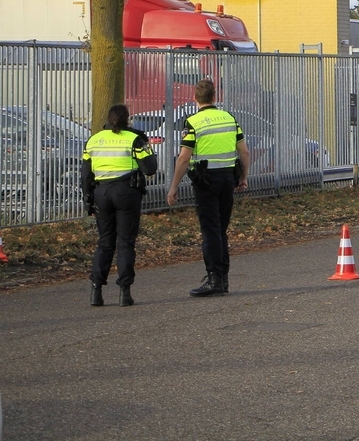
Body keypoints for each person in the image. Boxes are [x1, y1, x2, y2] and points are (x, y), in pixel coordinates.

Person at [167, 80, 250, 298]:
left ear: (195, 98)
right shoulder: (229, 118)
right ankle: (222, 278)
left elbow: (184, 158)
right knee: (221, 229)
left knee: (210, 230)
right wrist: (243, 177)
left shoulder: (193, 122)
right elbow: (245, 152)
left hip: (206, 182)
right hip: (227, 179)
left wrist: (173, 187)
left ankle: (214, 278)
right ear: (214, 96)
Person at [81, 104, 158, 307]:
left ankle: (96, 291)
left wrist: (88, 198)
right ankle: (125, 292)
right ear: (127, 119)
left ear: (108, 118)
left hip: (102, 193)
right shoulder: (134, 139)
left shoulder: (93, 140)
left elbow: (86, 175)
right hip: (126, 193)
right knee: (125, 242)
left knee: (105, 241)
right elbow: (150, 168)